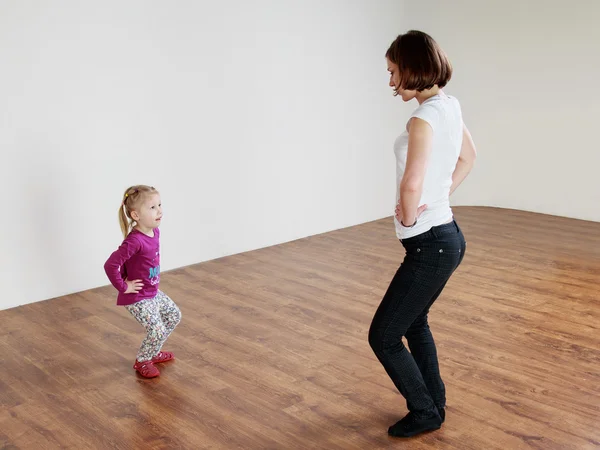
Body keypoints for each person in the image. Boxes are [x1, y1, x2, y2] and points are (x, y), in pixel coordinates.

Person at [368, 30, 477, 437]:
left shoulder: (421, 119)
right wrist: (442, 193)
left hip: (429, 243)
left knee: (383, 335)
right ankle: (435, 401)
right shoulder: (449, 106)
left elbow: (412, 183)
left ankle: (425, 411)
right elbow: (469, 157)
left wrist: (410, 219)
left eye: (394, 72)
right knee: (415, 323)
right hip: (449, 237)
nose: (391, 82)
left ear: (413, 68)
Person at [104, 185, 181, 378]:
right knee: (156, 329)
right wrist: (124, 286)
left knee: (174, 315)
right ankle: (143, 360)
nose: (160, 210)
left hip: (152, 292)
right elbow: (110, 265)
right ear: (135, 215)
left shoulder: (155, 232)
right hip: (136, 296)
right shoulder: (134, 241)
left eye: (160, 205)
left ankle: (153, 352)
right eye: (152, 207)